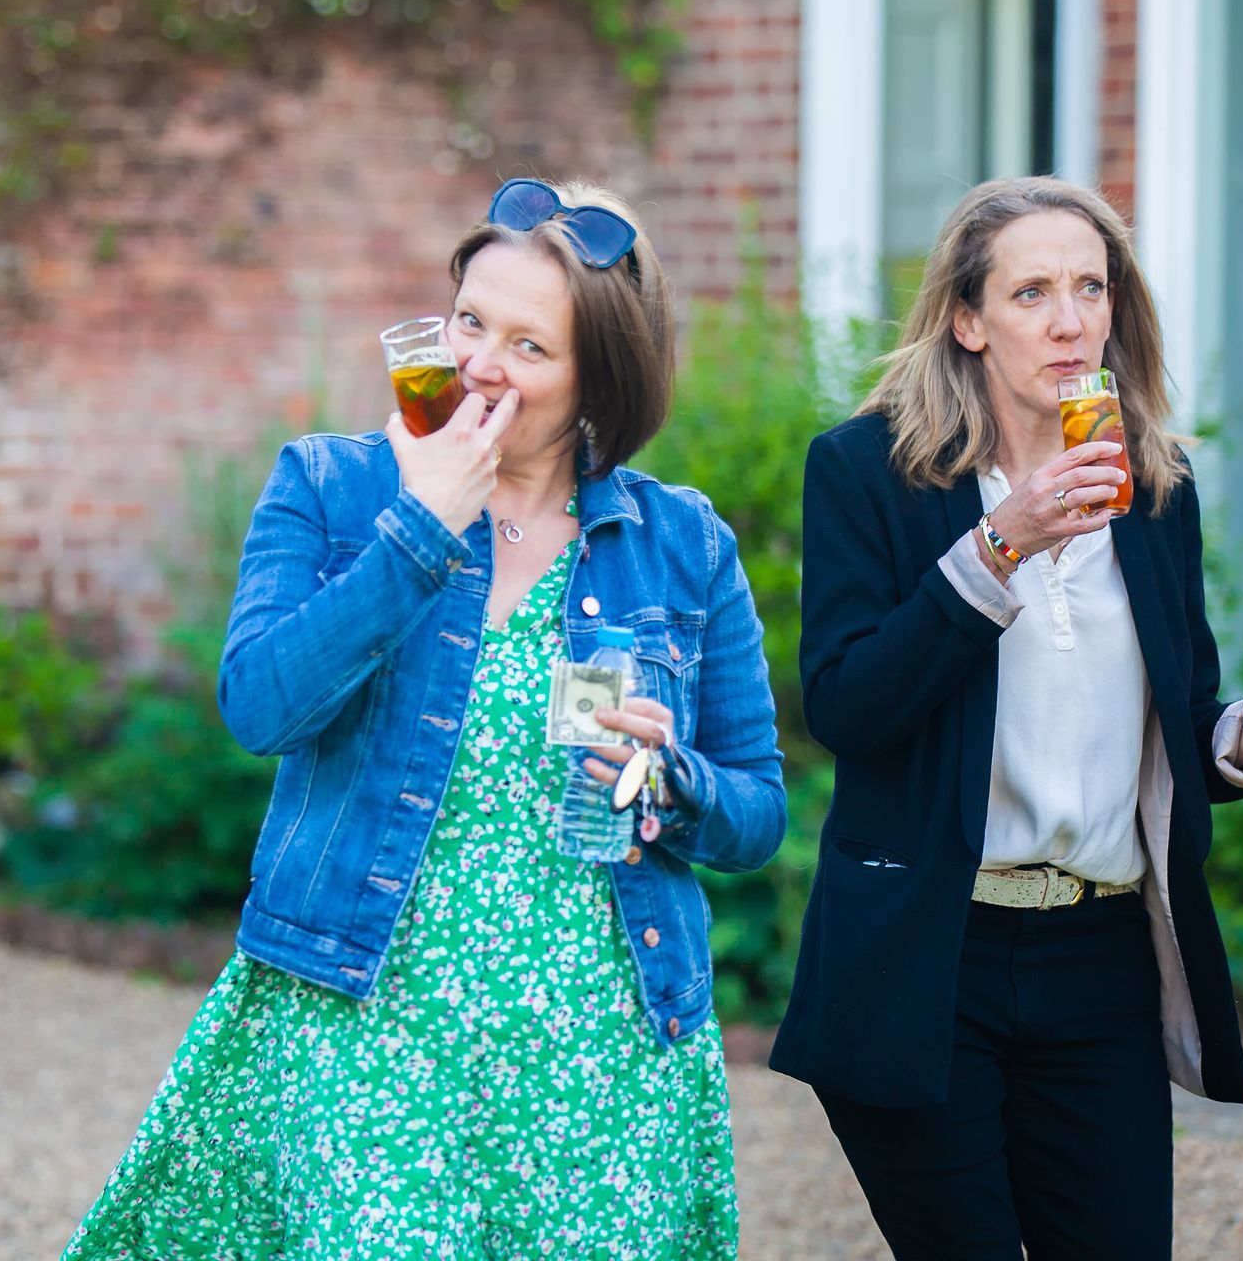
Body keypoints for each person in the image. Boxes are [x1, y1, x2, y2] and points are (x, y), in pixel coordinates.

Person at [62, 178, 789, 1258]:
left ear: (598, 378)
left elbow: (758, 810)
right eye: (470, 321)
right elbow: (259, 705)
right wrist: (419, 529)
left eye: (529, 346)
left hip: (594, 1049)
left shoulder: (682, 544)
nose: (480, 364)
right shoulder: (330, 486)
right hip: (367, 1021)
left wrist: (671, 780)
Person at [768, 176, 1243, 1258]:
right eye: (1031, 292)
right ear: (969, 320)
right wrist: (1001, 547)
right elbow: (848, 708)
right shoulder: (868, 471)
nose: (1071, 319)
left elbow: (1177, 730)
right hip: (932, 953)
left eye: (1091, 287)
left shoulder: (1157, 485)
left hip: (1101, 958)